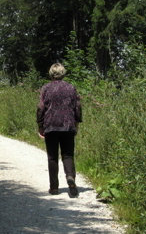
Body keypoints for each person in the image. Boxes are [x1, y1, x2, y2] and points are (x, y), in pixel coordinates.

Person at [36, 63, 82, 197]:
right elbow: (77, 107)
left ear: (51, 74)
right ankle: (70, 177)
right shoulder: (71, 88)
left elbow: (41, 108)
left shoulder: (46, 88)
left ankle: (54, 188)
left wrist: (40, 125)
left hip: (51, 126)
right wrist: (77, 122)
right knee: (67, 155)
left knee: (52, 157)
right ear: (63, 73)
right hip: (68, 125)